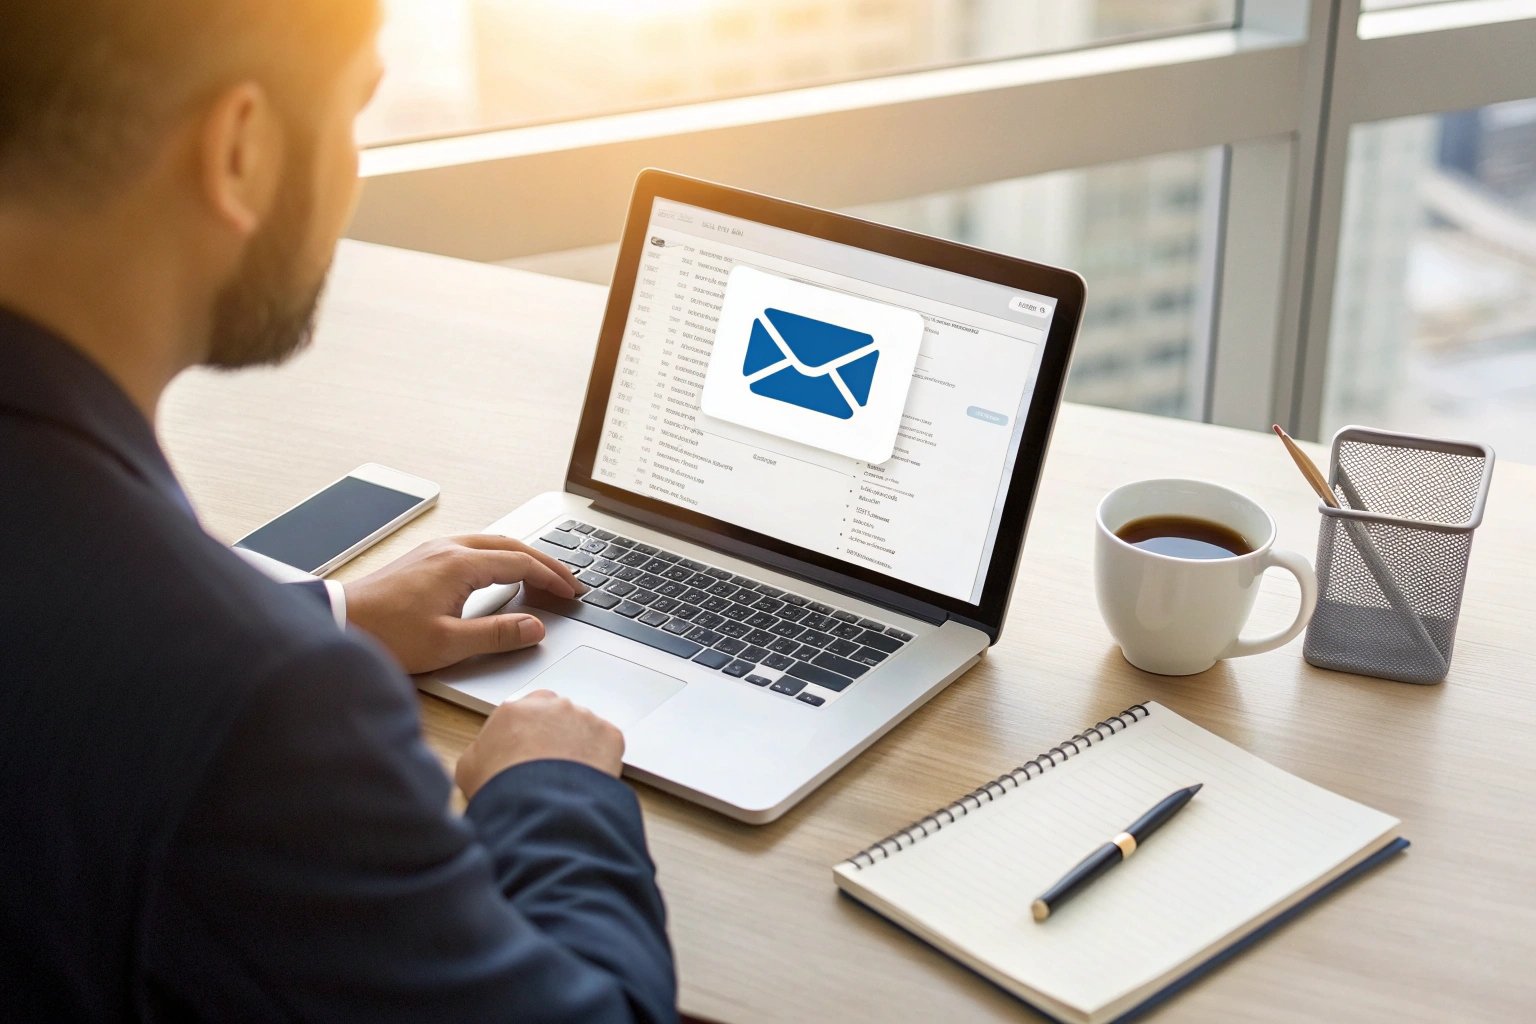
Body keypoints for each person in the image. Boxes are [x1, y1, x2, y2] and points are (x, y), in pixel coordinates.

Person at [0, 2, 677, 1021]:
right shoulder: (259, 707)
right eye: (354, 113)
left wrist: (328, 614)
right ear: (242, 150)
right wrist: (554, 794)